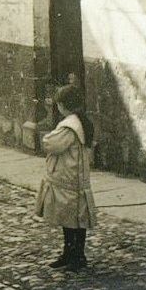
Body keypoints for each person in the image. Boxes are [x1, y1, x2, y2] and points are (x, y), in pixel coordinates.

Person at [35, 84, 97, 272]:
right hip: (75, 176)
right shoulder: (81, 121)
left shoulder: (69, 126)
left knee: (71, 219)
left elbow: (51, 143)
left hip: (69, 178)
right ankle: (73, 254)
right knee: (75, 219)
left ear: (63, 105)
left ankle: (75, 256)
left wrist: (47, 133)